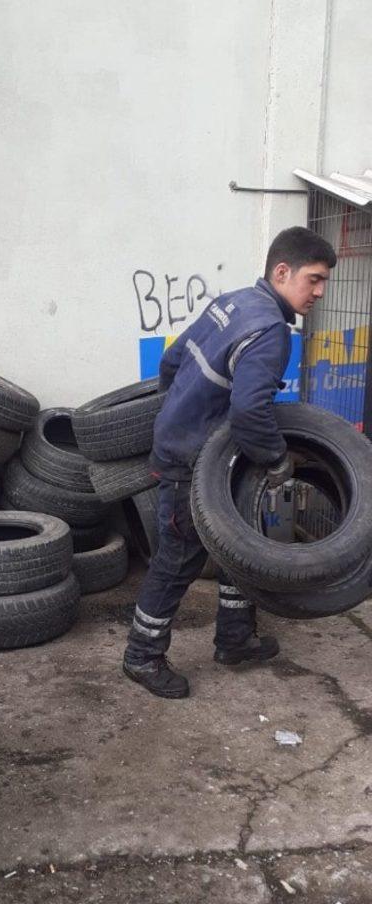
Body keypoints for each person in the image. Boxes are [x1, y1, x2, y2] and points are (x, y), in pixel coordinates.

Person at [123, 226, 337, 699]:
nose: (320, 292)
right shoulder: (271, 331)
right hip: (192, 462)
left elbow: (173, 361)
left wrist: (180, 412)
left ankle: (235, 638)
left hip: (206, 454)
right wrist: (277, 459)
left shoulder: (235, 303)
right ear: (282, 272)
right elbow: (250, 411)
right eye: (314, 279)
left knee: (238, 545)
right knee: (179, 558)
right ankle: (142, 654)